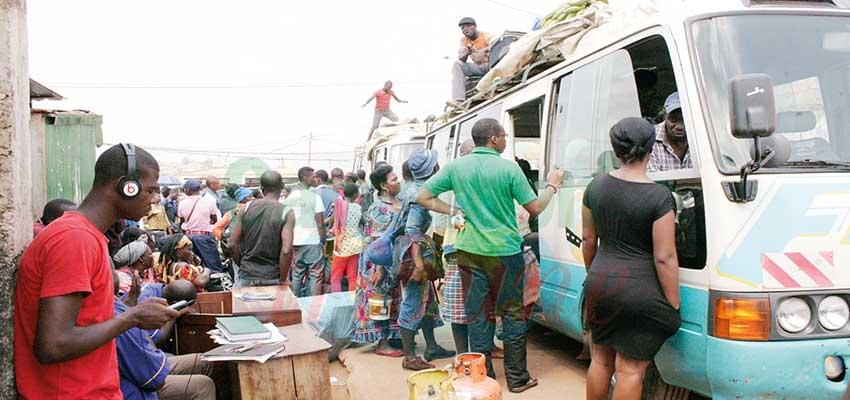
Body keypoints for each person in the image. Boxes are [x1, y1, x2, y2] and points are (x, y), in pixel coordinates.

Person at [14, 144, 182, 398]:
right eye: (150, 190)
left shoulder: (89, 237)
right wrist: (132, 318)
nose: (155, 199)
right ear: (126, 186)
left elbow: (86, 318)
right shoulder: (74, 240)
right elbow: (53, 345)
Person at [416, 118, 565, 393]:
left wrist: (453, 211)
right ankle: (518, 378)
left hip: (469, 253)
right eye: (504, 136)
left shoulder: (456, 168)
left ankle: (484, 380)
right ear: (494, 139)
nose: (506, 140)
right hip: (506, 253)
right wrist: (552, 186)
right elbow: (535, 209)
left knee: (479, 316)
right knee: (512, 315)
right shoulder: (508, 169)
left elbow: (422, 196)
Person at [581, 117, 681, 400]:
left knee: (600, 361)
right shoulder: (659, 197)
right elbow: (664, 256)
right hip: (640, 290)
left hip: (600, 284)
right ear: (651, 149)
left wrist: (596, 275)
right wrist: (672, 301)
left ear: (615, 150)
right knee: (629, 371)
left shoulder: (594, 188)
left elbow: (589, 240)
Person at [395, 149, 455, 370]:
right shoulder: (418, 195)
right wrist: (419, 264)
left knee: (427, 302)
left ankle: (431, 346)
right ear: (432, 170)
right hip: (414, 256)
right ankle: (410, 357)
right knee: (412, 302)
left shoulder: (411, 188)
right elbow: (412, 230)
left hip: (415, 253)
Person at [113, 271, 215, 400]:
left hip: (147, 365)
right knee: (204, 386)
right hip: (136, 386)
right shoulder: (120, 317)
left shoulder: (122, 305)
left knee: (205, 361)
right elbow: (154, 379)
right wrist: (173, 314)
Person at [352, 165, 404, 357]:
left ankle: (395, 337)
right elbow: (378, 242)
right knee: (379, 299)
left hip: (394, 261)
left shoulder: (399, 203)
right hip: (379, 263)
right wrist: (380, 269)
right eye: (393, 179)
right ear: (383, 186)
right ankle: (382, 342)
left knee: (393, 300)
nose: (398, 182)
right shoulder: (378, 209)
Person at [439, 139, 475, 354]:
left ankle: (474, 353)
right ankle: (463, 355)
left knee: (474, 306)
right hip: (459, 252)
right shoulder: (455, 184)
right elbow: (449, 222)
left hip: (470, 250)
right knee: (459, 308)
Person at [230, 170, 296, 287]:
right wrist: (283, 278)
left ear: (261, 187)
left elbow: (232, 243)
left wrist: (243, 265)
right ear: (282, 186)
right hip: (273, 277)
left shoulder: (246, 208)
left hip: (247, 275)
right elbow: (286, 250)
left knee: (247, 305)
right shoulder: (286, 212)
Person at [282, 167, 327, 297]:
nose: (315, 178)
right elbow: (320, 223)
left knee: (297, 273)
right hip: (312, 241)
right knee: (316, 274)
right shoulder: (315, 197)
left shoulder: (290, 198)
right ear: (305, 178)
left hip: (295, 241)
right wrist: (322, 240)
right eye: (313, 176)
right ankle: (313, 304)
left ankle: (296, 301)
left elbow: (285, 220)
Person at [178, 180, 223, 272]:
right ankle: (214, 283)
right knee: (212, 264)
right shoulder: (209, 202)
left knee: (193, 265)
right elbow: (215, 220)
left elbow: (182, 222)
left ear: (187, 190)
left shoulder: (182, 204)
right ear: (199, 189)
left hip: (188, 237)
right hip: (205, 236)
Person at [328, 183, 364, 292]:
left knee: (336, 276)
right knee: (352, 276)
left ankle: (337, 300)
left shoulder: (339, 206)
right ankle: (353, 302)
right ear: (356, 194)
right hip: (355, 245)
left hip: (340, 245)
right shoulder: (358, 208)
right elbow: (362, 222)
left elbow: (331, 222)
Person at [451, 17, 495, 102]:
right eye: (463, 28)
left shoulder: (485, 35)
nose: (465, 29)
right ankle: (458, 100)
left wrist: (484, 50)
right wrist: (466, 52)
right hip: (478, 67)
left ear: (475, 26)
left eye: (468, 26)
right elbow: (461, 58)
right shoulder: (464, 41)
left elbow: (498, 45)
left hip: (491, 64)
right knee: (457, 64)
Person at [648, 92, 691, 172]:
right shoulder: (649, 139)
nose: (679, 127)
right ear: (665, 116)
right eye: (673, 120)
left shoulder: (703, 138)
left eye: (685, 120)